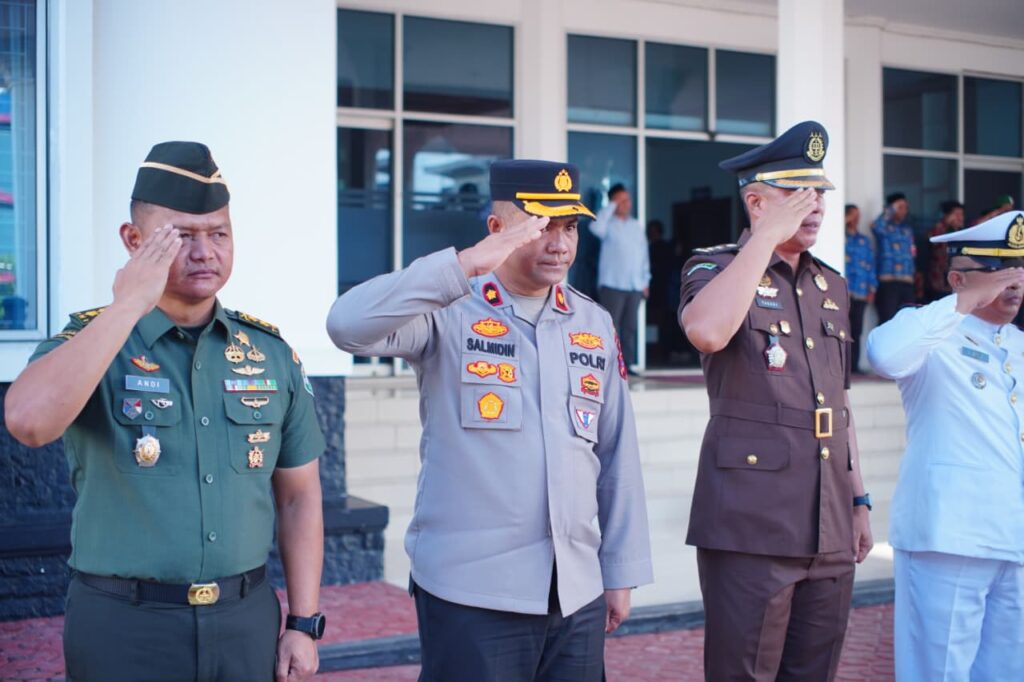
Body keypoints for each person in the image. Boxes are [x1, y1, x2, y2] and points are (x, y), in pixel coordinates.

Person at [4, 142, 327, 682]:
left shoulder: (269, 354)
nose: (205, 252)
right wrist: (129, 303)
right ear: (134, 241)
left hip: (245, 621)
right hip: (124, 627)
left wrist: (303, 621)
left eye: (219, 234)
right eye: (181, 236)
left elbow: (299, 496)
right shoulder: (93, 343)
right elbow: (29, 423)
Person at [326, 160, 653, 682]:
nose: (559, 244)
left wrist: (620, 570)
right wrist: (465, 265)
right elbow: (346, 326)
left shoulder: (592, 320)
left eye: (570, 227)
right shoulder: (447, 309)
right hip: (472, 594)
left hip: (575, 591)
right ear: (497, 228)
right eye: (541, 227)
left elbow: (616, 452)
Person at [678, 120, 873, 681]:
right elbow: (707, 332)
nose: (816, 207)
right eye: (798, 195)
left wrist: (858, 501)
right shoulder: (713, 267)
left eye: (820, 194)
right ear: (757, 202)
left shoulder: (830, 285)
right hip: (752, 521)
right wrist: (763, 241)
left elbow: (839, 403)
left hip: (829, 518)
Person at [867, 210, 1024, 681]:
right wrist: (964, 301)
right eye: (999, 272)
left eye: (1020, 270)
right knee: (937, 672)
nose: (1013, 283)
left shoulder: (1018, 345)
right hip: (950, 537)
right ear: (958, 278)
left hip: (1013, 539)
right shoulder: (932, 332)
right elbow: (884, 355)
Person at [589, 183, 650, 373]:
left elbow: (643, 255)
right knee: (610, 326)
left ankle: (627, 365)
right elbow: (595, 227)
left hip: (634, 285)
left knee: (630, 327)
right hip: (612, 284)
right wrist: (611, 206)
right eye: (620, 200)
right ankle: (609, 366)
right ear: (613, 202)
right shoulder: (607, 224)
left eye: (627, 200)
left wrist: (645, 280)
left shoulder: (635, 226)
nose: (626, 203)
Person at [873, 192, 916, 322]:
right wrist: (891, 209)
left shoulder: (907, 230)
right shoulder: (884, 227)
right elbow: (876, 227)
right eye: (900, 207)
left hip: (907, 282)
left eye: (905, 207)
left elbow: (912, 254)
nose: (904, 211)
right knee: (887, 320)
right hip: (888, 282)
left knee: (908, 321)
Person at [845, 203, 877, 374]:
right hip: (843, 291)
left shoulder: (864, 240)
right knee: (841, 330)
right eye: (852, 215)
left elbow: (870, 265)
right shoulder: (839, 237)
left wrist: (872, 288)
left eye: (858, 215)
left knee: (856, 330)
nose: (856, 219)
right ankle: (842, 367)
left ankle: (854, 367)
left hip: (861, 291)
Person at [925, 200, 964, 302]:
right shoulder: (938, 230)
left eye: (961, 215)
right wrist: (946, 223)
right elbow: (932, 239)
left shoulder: (962, 233)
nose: (960, 218)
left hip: (957, 284)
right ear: (947, 216)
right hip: (938, 283)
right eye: (957, 214)